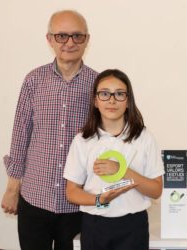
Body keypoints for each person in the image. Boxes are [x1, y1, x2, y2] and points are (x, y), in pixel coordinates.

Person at [0, 10, 98, 250]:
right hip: (35, 199)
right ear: (49, 39)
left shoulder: (99, 84)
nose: (70, 43)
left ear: (87, 39)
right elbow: (20, 134)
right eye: (62, 36)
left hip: (78, 203)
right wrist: (12, 189)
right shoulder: (34, 80)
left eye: (77, 36)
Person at [63, 69, 164, 250]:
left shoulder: (144, 137)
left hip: (133, 225)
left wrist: (121, 171)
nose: (111, 100)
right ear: (95, 100)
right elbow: (71, 192)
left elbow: (156, 190)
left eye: (119, 94)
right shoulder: (82, 140)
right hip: (95, 225)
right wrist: (99, 199)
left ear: (128, 101)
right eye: (104, 94)